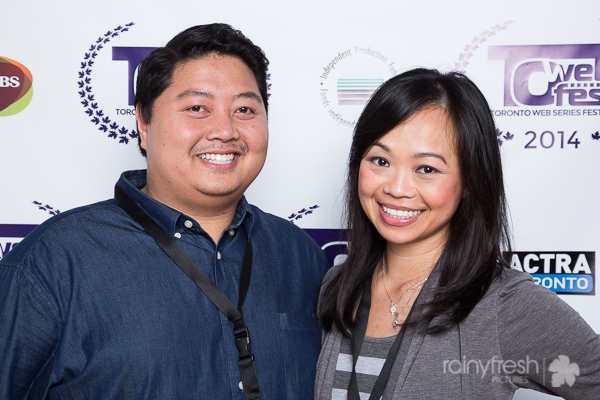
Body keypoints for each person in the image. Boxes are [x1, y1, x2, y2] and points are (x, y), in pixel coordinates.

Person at [0, 23, 328, 399]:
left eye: (244, 109)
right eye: (197, 108)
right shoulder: (54, 261)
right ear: (143, 121)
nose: (225, 130)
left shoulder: (301, 257)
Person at [315, 68, 600, 399]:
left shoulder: (503, 305)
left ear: (469, 182)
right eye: (380, 160)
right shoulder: (334, 287)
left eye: (427, 169)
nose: (396, 188)